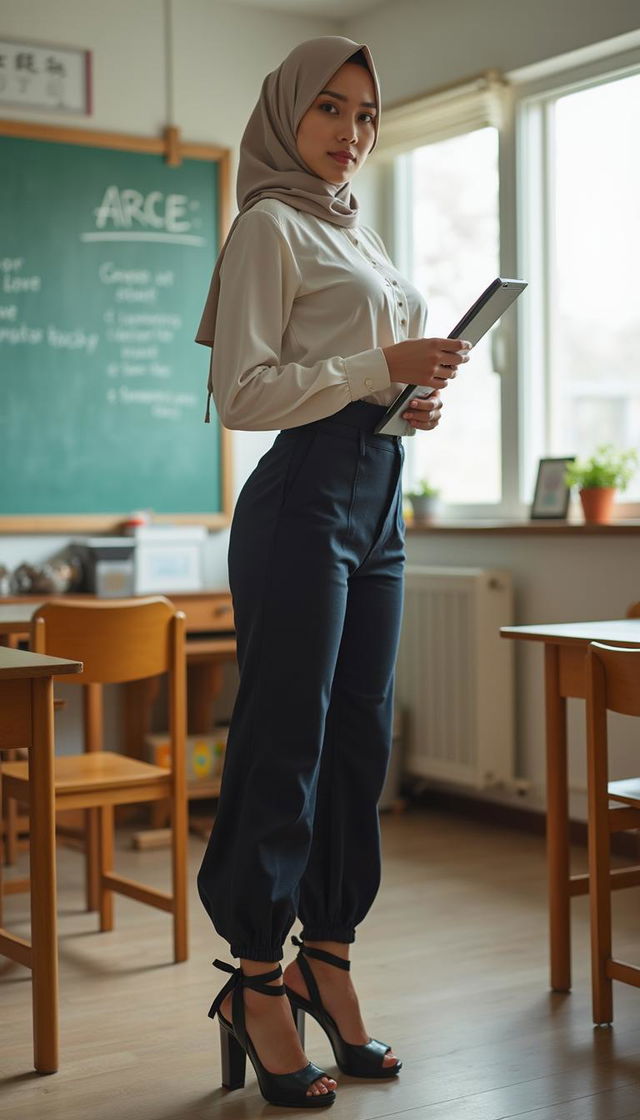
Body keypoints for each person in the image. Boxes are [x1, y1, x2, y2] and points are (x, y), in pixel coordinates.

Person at [195, 35, 471, 1109]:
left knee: (359, 737)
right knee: (286, 740)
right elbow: (249, 390)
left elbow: (355, 379)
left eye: (365, 115)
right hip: (301, 500)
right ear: (284, 114)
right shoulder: (268, 222)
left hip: (378, 490)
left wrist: (409, 398)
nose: (350, 133)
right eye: (329, 109)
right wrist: (377, 368)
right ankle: (255, 977)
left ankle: (331, 960)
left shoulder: (359, 233)